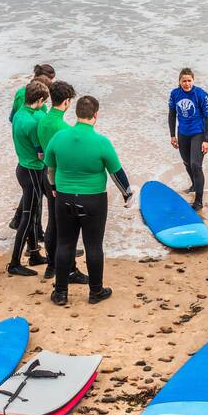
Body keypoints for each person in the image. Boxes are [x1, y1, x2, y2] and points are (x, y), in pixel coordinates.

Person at [44, 95, 134, 305]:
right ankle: (95, 292)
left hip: (64, 198)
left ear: (77, 114)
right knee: (93, 245)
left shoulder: (59, 137)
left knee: (65, 244)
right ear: (96, 115)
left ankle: (60, 293)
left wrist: (55, 188)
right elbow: (117, 174)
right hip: (93, 200)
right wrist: (127, 195)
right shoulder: (101, 142)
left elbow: (50, 168)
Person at [8, 80, 49, 277]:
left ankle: (34, 254)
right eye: (44, 101)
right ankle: (14, 263)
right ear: (39, 100)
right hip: (32, 170)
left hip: (23, 167)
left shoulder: (19, 115)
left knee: (31, 214)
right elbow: (41, 153)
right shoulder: (32, 123)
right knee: (27, 218)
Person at [36, 80, 76, 279]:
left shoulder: (43, 119)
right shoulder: (63, 127)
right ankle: (68, 268)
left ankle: (51, 265)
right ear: (67, 101)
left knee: (52, 220)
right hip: (59, 177)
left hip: (45, 172)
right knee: (65, 225)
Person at [168, 68, 208, 211]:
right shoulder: (175, 94)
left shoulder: (201, 95)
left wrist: (206, 140)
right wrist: (172, 135)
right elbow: (172, 115)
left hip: (198, 133)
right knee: (187, 162)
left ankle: (199, 201)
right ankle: (194, 185)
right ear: (179, 82)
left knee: (196, 165)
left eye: (189, 80)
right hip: (182, 134)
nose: (187, 83)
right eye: (184, 81)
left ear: (193, 80)